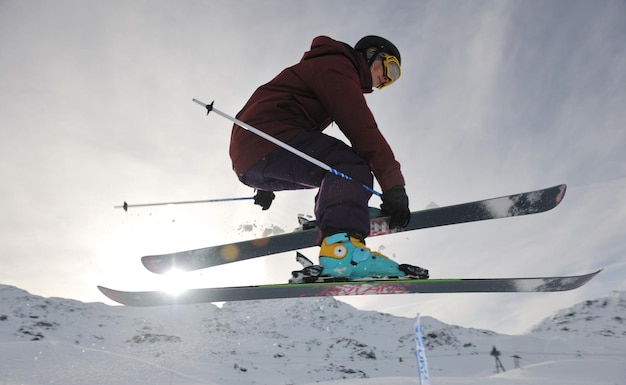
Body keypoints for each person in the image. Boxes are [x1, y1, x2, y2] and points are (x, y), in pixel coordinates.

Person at [229, 35, 428, 281]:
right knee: (350, 166)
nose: (386, 81)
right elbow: (363, 131)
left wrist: (264, 181)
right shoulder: (336, 67)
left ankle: (340, 216)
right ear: (371, 54)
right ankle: (341, 248)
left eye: (393, 80)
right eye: (391, 69)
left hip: (253, 157)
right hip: (268, 140)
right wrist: (393, 186)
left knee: (337, 173)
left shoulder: (325, 67)